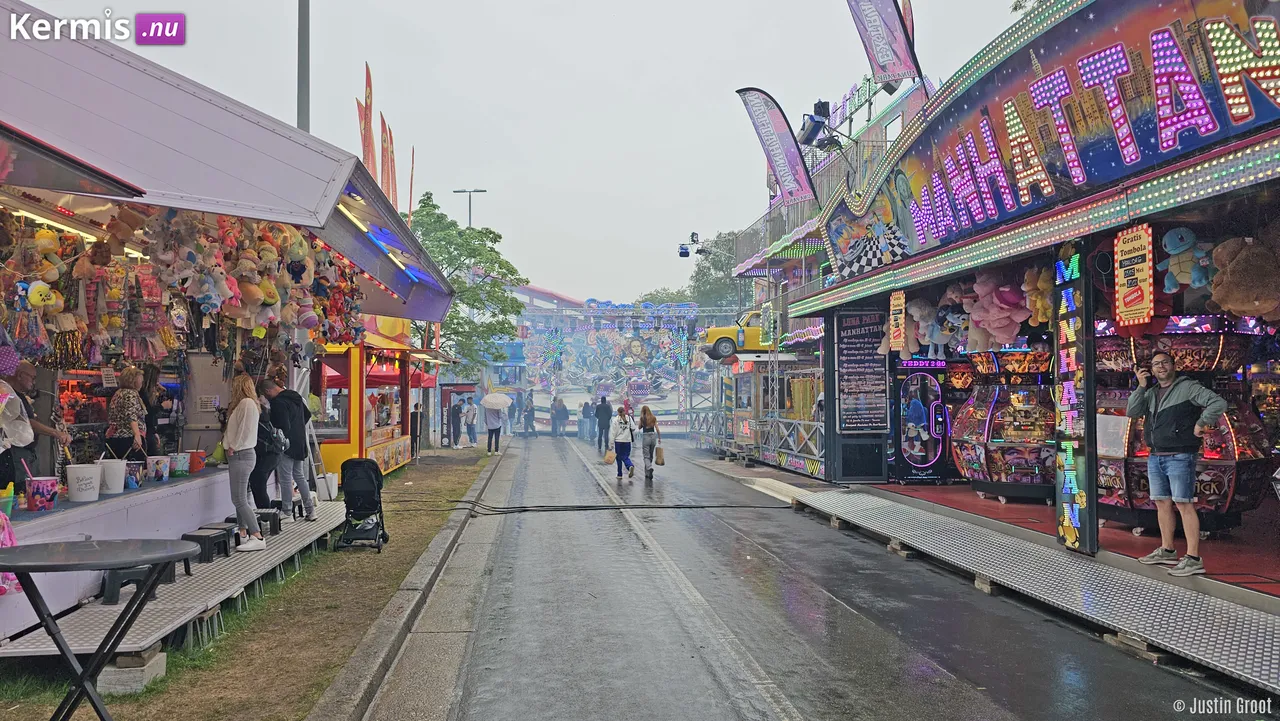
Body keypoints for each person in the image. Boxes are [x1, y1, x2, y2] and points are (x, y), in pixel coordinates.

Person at [1127, 351, 1228, 577]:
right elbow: (1132, 411)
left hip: (1181, 455)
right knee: (1162, 502)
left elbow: (1218, 402)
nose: (1161, 367)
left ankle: (1193, 558)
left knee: (1183, 504)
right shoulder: (1151, 393)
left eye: (1165, 362)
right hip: (1156, 455)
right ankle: (1167, 549)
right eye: (1156, 364)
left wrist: (1201, 423)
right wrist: (1141, 386)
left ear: (1174, 365)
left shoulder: (1188, 387)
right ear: (1151, 370)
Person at [260, 379, 317, 522]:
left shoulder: (277, 402)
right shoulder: (295, 396)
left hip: (286, 444)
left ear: (268, 391)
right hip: (300, 441)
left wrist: (277, 435)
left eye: (265, 395)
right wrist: (297, 427)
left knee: (285, 478)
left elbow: (282, 425)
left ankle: (287, 512)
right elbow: (307, 415)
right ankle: (310, 510)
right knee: (299, 476)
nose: (267, 398)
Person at [224, 374, 266, 552]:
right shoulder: (248, 404)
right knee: (240, 497)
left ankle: (257, 535)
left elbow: (244, 430)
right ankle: (243, 532)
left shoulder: (246, 403)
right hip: (240, 454)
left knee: (239, 498)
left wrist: (234, 446)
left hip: (241, 453)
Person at [0, 362, 46, 497]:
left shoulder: (17, 396)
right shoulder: (7, 395)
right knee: (18, 494)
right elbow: (27, 422)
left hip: (24, 456)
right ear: (20, 375)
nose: (34, 382)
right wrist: (56, 433)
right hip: (14, 457)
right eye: (32, 377)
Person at [105, 366, 148, 461]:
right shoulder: (130, 394)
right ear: (133, 380)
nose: (142, 382)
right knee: (134, 467)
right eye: (140, 379)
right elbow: (131, 415)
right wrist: (137, 434)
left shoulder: (118, 393)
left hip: (116, 437)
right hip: (129, 438)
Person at [249, 395, 283, 509]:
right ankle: (267, 514)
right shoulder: (265, 413)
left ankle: (266, 515)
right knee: (260, 487)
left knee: (258, 486)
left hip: (264, 455)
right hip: (273, 454)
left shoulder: (253, 416)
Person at [609, 406, 636, 481]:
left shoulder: (615, 420)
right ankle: (629, 466)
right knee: (625, 456)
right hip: (627, 441)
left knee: (618, 458)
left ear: (618, 412)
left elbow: (613, 433)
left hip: (618, 442)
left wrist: (611, 444)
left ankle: (620, 474)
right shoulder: (629, 418)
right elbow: (633, 428)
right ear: (624, 411)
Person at [638, 405, 661, 481]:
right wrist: (659, 438)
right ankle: (647, 473)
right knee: (650, 456)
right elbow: (657, 428)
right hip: (653, 436)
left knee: (646, 456)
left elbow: (639, 427)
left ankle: (649, 468)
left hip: (646, 437)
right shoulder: (653, 418)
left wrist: (641, 422)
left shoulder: (642, 418)